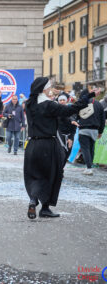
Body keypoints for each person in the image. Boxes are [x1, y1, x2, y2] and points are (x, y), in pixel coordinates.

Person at [24, 77, 90, 220]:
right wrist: (85, 98)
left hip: (32, 145)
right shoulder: (48, 105)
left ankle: (33, 200)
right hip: (48, 145)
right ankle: (45, 208)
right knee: (52, 175)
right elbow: (70, 110)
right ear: (44, 89)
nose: (50, 89)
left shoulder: (29, 104)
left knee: (35, 175)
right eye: (48, 87)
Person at [77, 88, 105, 175]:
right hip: (95, 130)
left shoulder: (82, 103)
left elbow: (76, 115)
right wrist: (100, 132)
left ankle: (88, 168)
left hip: (83, 129)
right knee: (91, 148)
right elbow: (102, 120)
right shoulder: (99, 104)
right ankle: (90, 167)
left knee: (85, 149)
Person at [57, 93, 77, 166]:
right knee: (60, 154)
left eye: (63, 100)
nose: (62, 101)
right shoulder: (55, 111)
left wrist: (71, 138)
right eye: (60, 100)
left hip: (68, 135)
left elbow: (73, 126)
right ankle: (58, 171)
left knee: (66, 154)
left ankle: (61, 169)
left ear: (66, 101)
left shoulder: (70, 110)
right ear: (58, 101)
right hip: (58, 135)